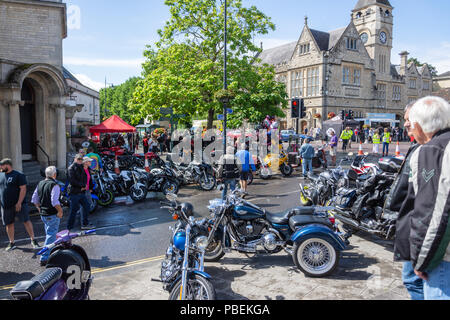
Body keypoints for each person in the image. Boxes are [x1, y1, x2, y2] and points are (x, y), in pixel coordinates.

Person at [395, 96, 450, 300]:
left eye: (410, 123)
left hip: (442, 258)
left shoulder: (432, 151)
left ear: (418, 124)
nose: (408, 127)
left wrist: (421, 260)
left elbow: (434, 212)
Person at [385, 102, 422, 299]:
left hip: (418, 226)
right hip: (414, 224)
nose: (405, 124)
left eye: (408, 120)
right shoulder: (420, 145)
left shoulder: (428, 148)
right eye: (404, 120)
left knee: (414, 281)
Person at [0, 159, 39, 251]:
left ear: (7, 165)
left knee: (26, 221)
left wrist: (19, 202)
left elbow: (23, 189)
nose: (0, 167)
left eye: (1, 165)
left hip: (19, 204)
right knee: (9, 224)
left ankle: (33, 240)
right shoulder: (1, 175)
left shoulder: (18, 175)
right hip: (5, 205)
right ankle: (12, 243)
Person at [31, 166, 63, 266]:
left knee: (50, 234)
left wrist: (39, 208)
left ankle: (51, 253)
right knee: (51, 236)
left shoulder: (40, 183)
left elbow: (34, 199)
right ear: (54, 174)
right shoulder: (55, 185)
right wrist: (60, 211)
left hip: (43, 214)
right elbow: (54, 201)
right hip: (52, 213)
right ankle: (44, 258)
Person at [66, 154, 95, 231]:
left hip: (82, 192)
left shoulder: (81, 167)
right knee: (74, 210)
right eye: (78, 159)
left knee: (87, 206)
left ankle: (84, 224)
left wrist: (87, 187)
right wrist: (83, 185)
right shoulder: (71, 168)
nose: (80, 160)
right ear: (75, 159)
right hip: (74, 193)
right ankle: (69, 227)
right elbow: (72, 181)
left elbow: (86, 177)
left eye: (81, 159)